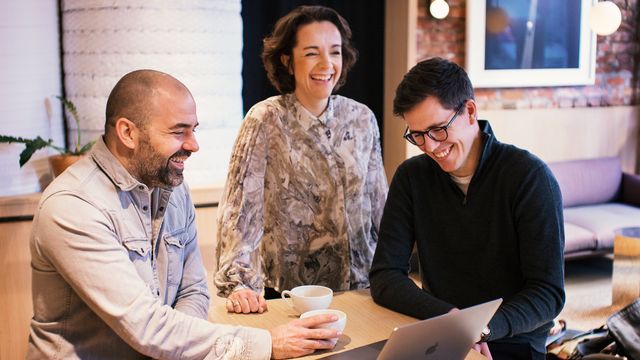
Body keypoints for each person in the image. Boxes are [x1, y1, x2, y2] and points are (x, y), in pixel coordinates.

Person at [27, 69, 341, 360]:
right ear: (127, 132)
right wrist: (267, 345)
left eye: (193, 130)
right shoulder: (73, 206)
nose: (193, 145)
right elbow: (145, 326)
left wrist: (174, 351)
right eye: (179, 132)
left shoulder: (172, 187)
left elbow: (192, 291)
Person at [369, 58, 565, 360]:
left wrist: (482, 329)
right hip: (440, 332)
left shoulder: (528, 177)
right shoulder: (411, 177)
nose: (431, 146)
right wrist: (454, 321)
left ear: (470, 111)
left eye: (438, 129)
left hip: (512, 340)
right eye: (417, 135)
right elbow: (384, 277)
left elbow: (547, 293)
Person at [215, 5, 387, 314]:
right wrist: (239, 284)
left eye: (334, 52)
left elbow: (379, 204)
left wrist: (394, 271)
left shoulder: (361, 118)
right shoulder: (266, 120)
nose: (326, 64)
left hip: (362, 290)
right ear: (288, 61)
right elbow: (240, 213)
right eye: (311, 53)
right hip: (291, 297)